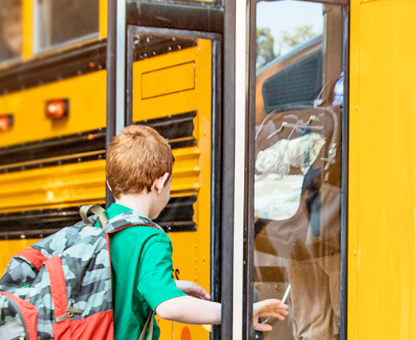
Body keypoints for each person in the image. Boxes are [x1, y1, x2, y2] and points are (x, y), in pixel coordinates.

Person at [107, 125, 289, 339]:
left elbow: (121, 282)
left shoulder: (99, 225)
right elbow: (168, 307)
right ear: (161, 182)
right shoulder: (149, 238)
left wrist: (171, 285)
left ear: (111, 184)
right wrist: (239, 314)